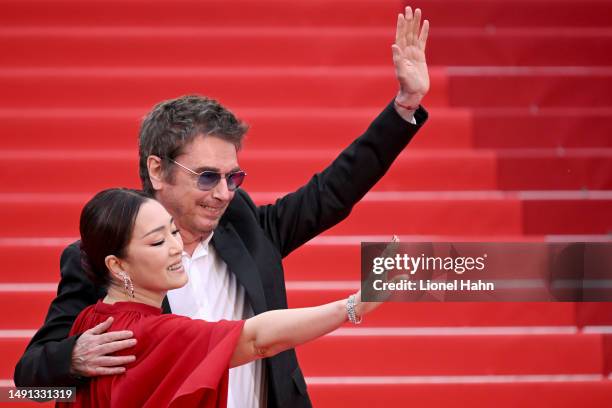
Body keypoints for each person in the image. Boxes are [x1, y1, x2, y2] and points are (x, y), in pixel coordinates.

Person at [15, 6, 430, 408]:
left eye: (233, 178)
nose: (224, 194)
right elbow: (28, 380)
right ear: (157, 170)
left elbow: (331, 193)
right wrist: (71, 360)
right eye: (207, 176)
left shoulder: (245, 227)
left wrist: (404, 108)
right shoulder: (109, 255)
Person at [55, 188, 383, 407]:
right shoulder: (154, 334)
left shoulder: (91, 322)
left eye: (173, 231)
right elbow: (258, 340)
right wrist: (354, 305)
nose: (175, 247)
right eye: (157, 242)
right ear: (117, 264)